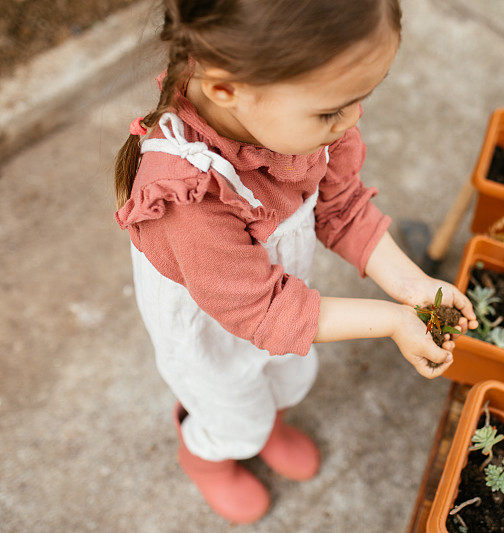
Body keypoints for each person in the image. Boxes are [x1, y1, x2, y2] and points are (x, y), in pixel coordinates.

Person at [113, 0, 478, 524]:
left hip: (279, 298)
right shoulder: (188, 200)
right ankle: (207, 455)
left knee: (287, 376)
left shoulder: (303, 124)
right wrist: (394, 321)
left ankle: (269, 424)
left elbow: (342, 210)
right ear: (226, 89)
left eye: (360, 99)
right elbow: (264, 312)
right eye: (332, 109)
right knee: (233, 412)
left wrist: (413, 286)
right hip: (216, 329)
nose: (351, 120)